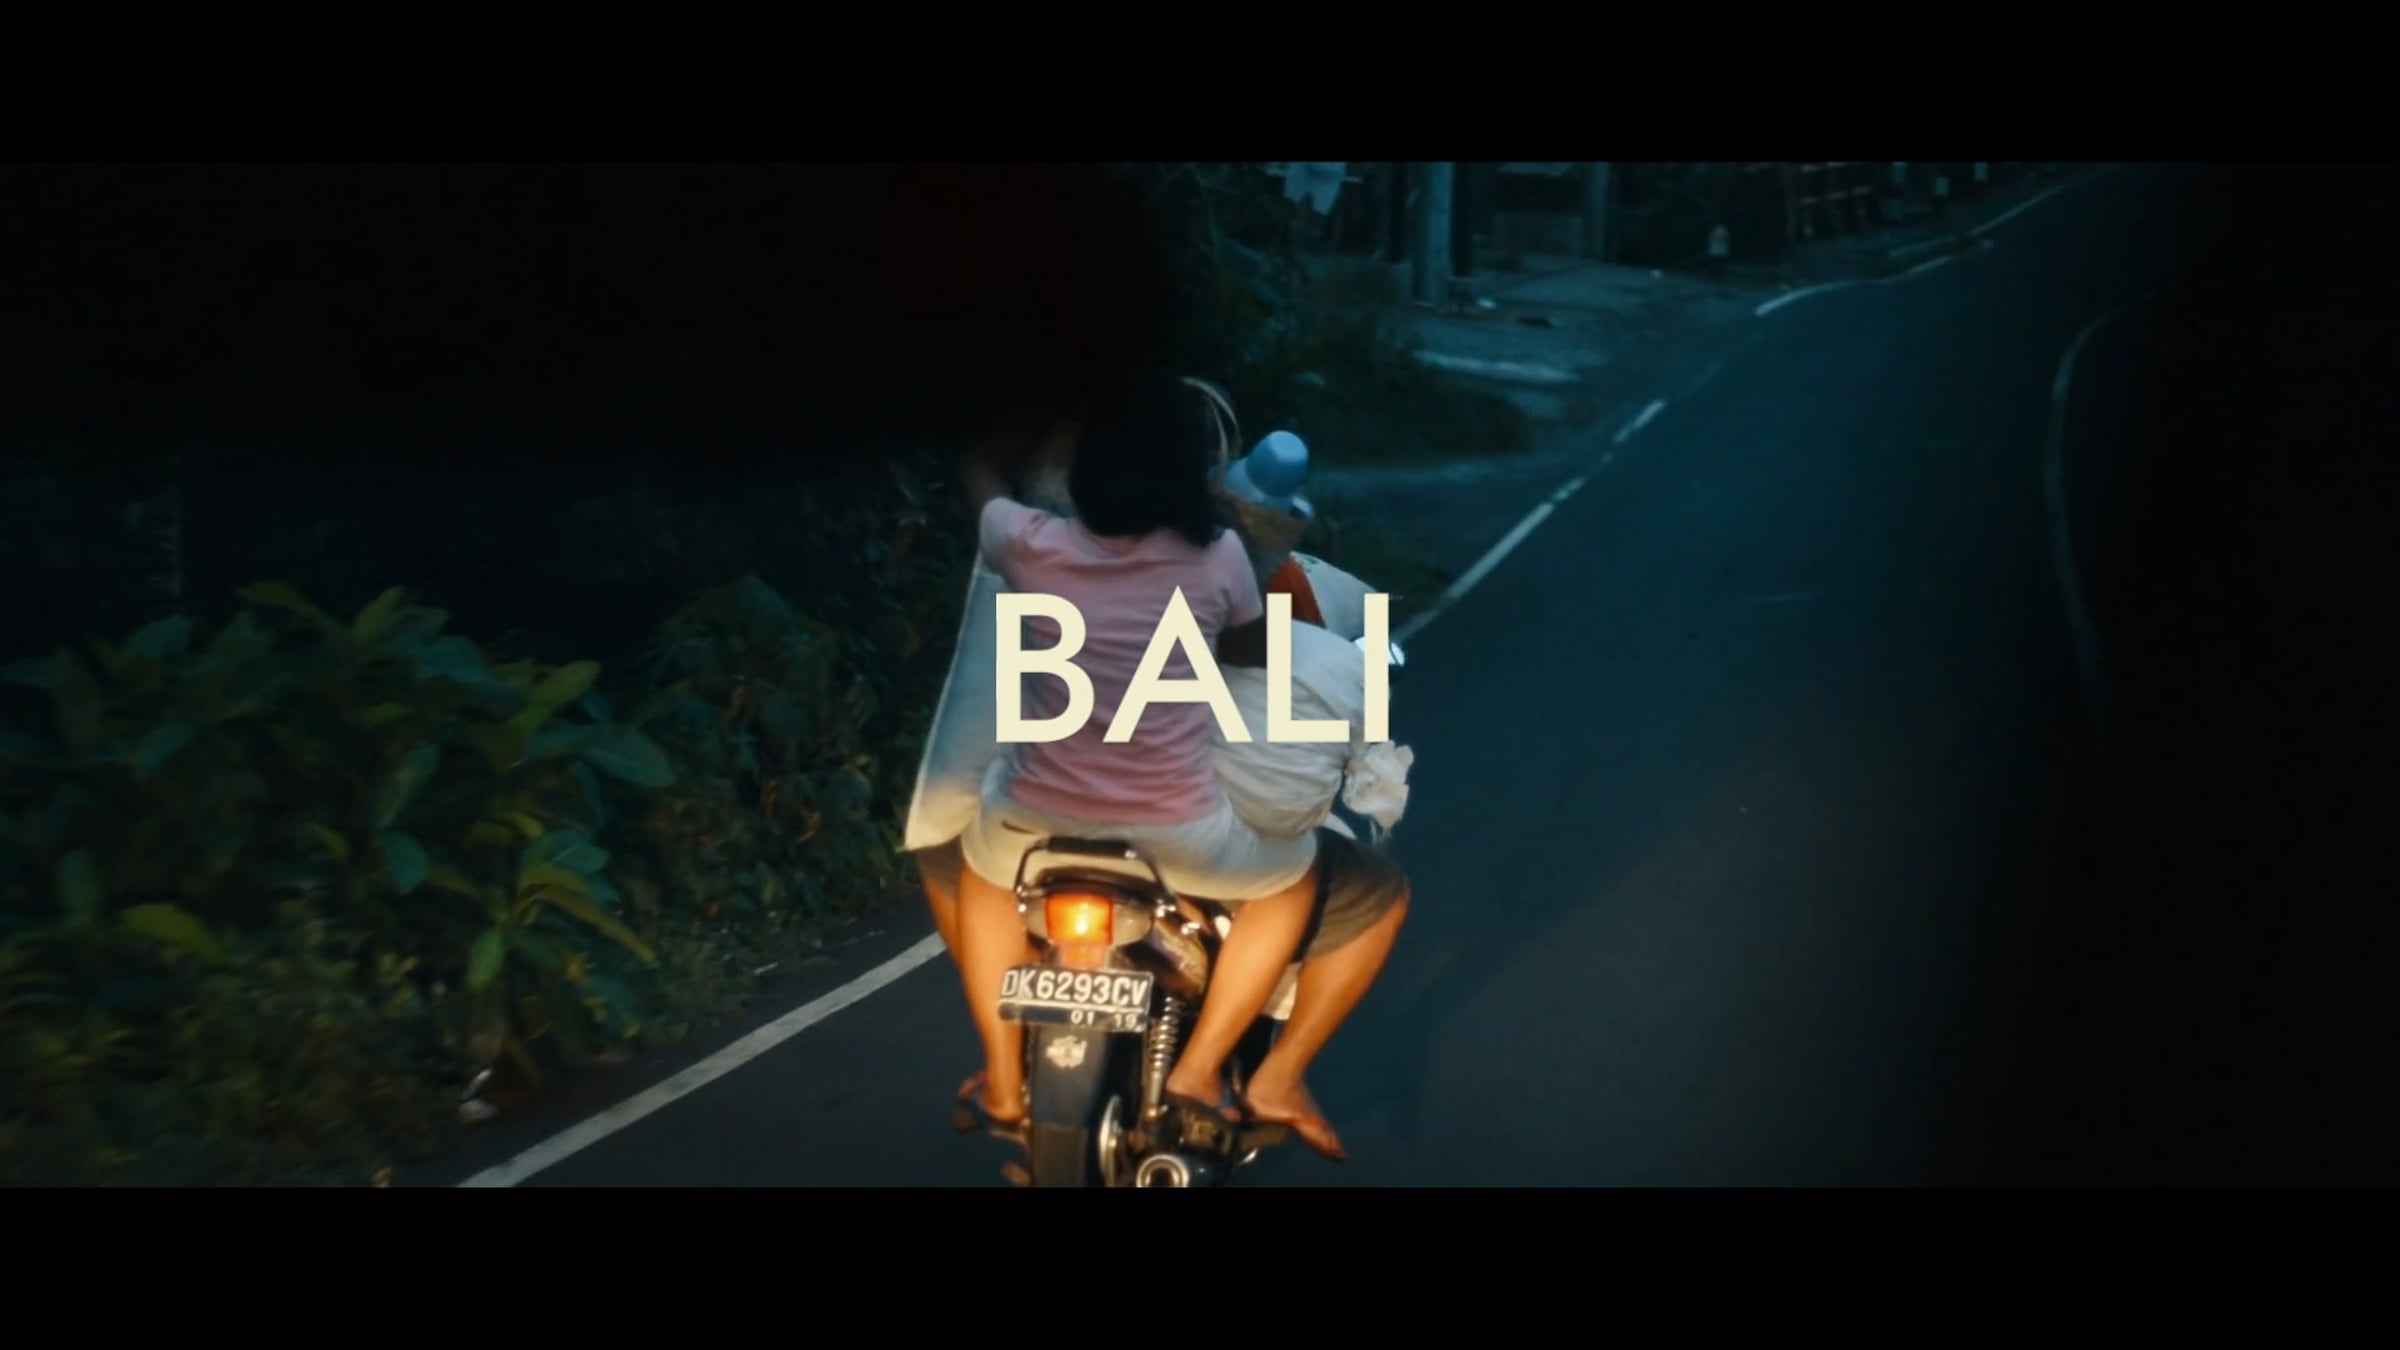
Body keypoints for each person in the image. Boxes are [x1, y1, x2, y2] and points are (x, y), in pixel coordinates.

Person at [922, 375, 1405, 1160]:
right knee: (1298, 884)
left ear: (1083, 469)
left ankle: (1004, 1081)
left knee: (967, 866)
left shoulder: (1028, 540)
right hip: (1178, 832)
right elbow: (1248, 648)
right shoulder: (1217, 558)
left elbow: (977, 467)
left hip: (1032, 820)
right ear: (1195, 478)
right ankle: (1220, 1074)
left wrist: (1040, 410)